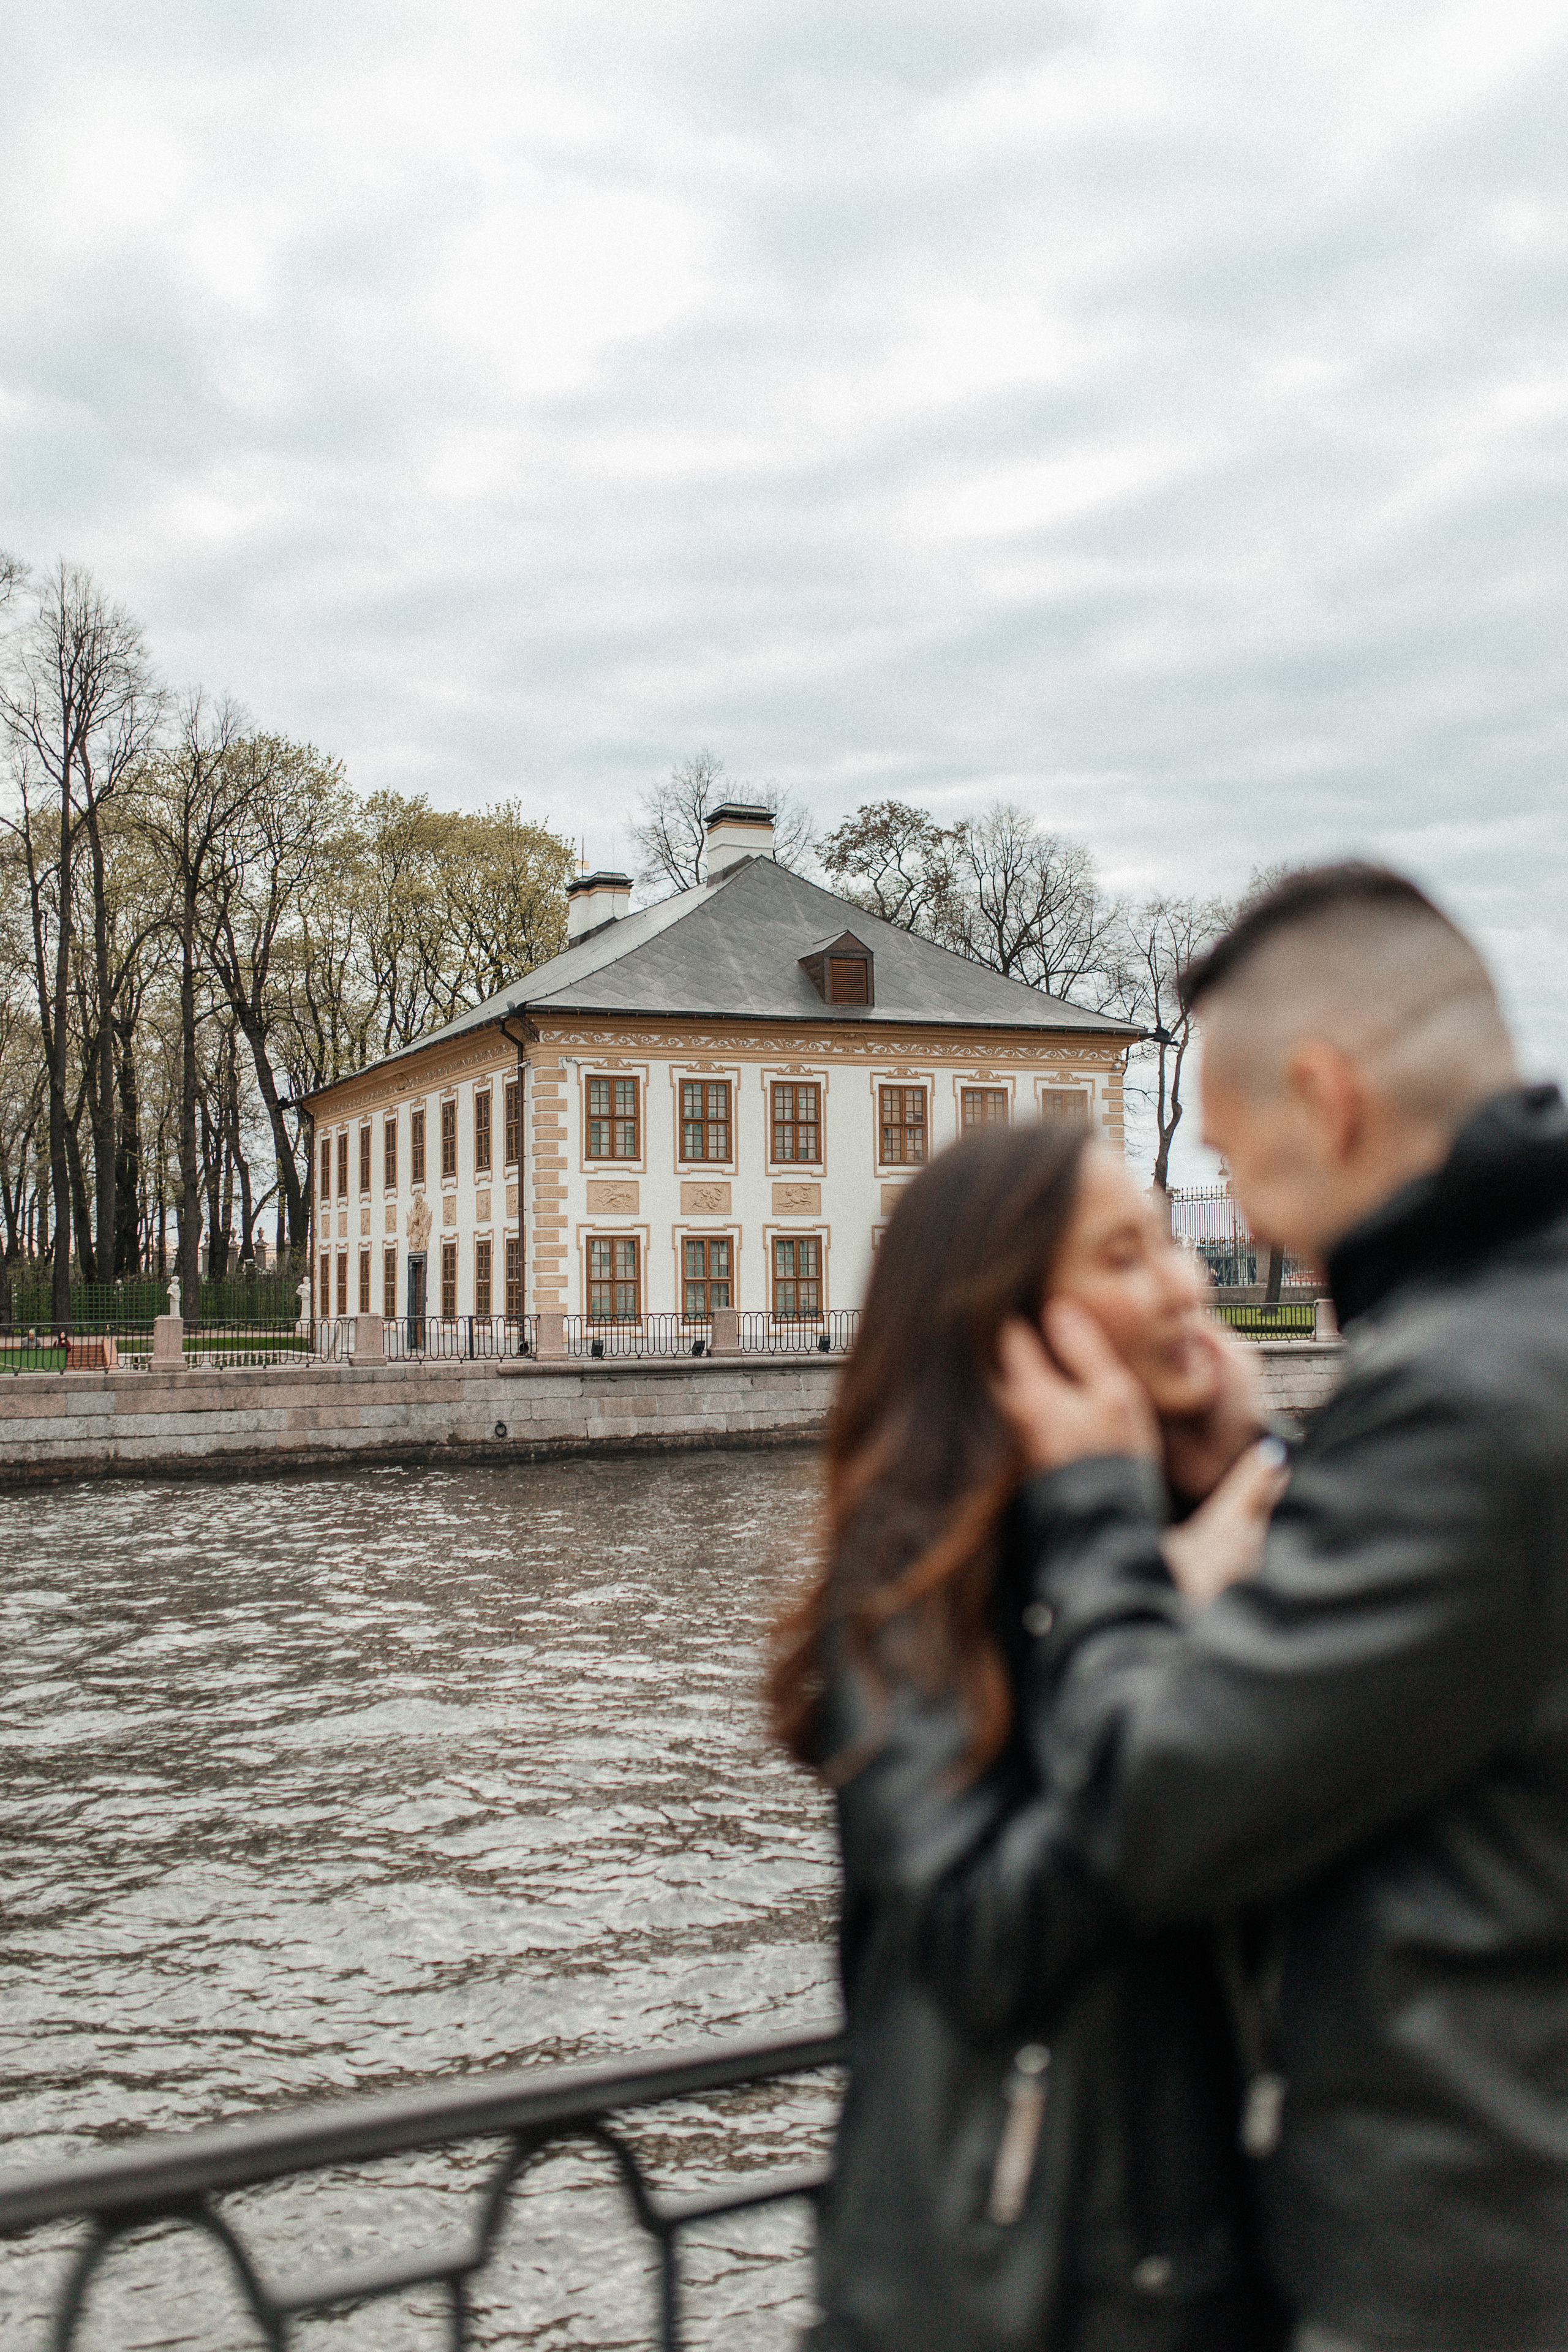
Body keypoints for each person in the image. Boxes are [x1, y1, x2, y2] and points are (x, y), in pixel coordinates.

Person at [985, 863, 1568, 2351]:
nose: (1228, 1214)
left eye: (1231, 1154)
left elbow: (1155, 1806)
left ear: (1327, 1095)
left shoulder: (1460, 1398)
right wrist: (1263, 1470)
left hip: (1467, 2270)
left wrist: (1099, 1510)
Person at [769, 1118, 1289, 2352]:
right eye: (1121, 1257)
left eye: (1169, 1241)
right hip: (1001, 2294)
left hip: (1216, 2275)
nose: (1182, 1283)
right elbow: (986, 1939)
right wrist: (1125, 1542)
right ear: (1009, 1327)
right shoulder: (911, 1589)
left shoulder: (1213, 1534)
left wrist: (1262, 1469)